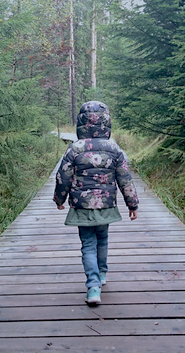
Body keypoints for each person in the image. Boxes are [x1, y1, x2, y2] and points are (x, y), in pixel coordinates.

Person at [53, 101, 139, 306]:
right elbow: (125, 178)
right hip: (106, 203)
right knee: (103, 238)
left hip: (82, 205)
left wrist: (59, 199)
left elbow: (62, 177)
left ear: (81, 123)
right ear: (106, 123)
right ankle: (101, 275)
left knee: (88, 244)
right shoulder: (114, 148)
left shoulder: (74, 148)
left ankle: (93, 287)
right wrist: (132, 205)